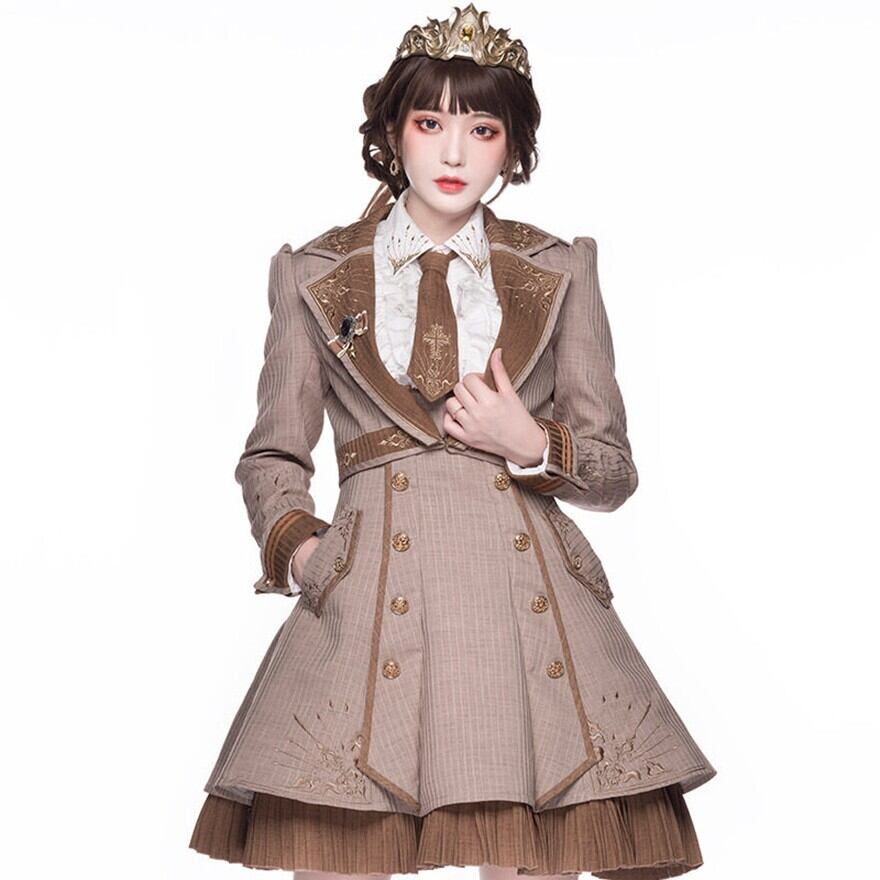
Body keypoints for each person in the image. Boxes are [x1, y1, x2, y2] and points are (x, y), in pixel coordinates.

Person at [189, 5, 716, 878]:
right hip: (366, 596)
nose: (455, 152)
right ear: (392, 132)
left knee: (526, 840)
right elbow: (273, 453)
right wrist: (304, 549)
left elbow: (614, 471)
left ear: (512, 148)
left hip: (521, 600)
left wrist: (531, 441)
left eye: (483, 128)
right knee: (342, 835)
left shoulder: (559, 269)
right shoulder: (313, 273)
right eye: (430, 123)